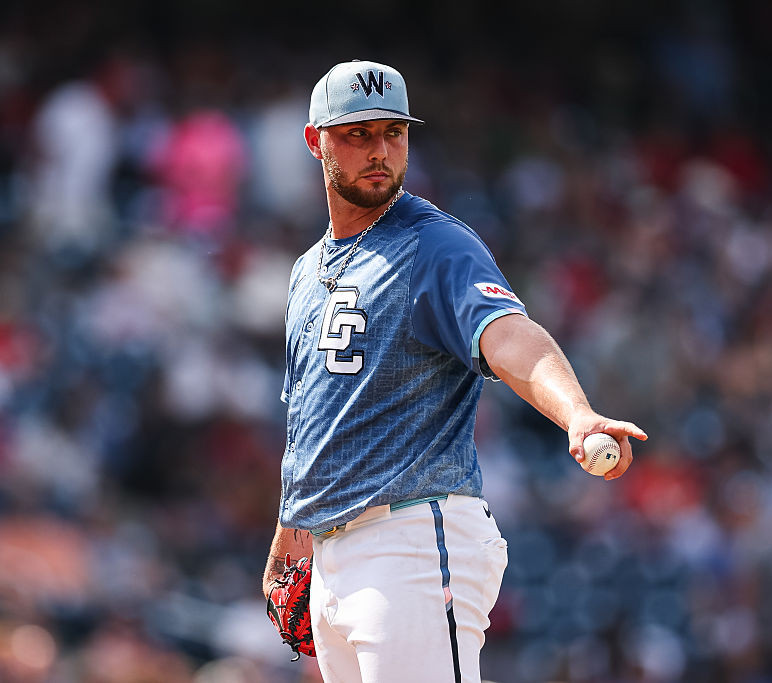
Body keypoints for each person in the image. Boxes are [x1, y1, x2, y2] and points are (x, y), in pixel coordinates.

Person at [261, 59, 647, 683]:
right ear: (315, 141)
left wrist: (576, 413)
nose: (379, 150)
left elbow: (508, 334)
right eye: (358, 134)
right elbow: (311, 415)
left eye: (393, 132)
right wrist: (292, 527)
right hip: (333, 555)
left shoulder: (435, 244)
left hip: (412, 539)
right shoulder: (307, 272)